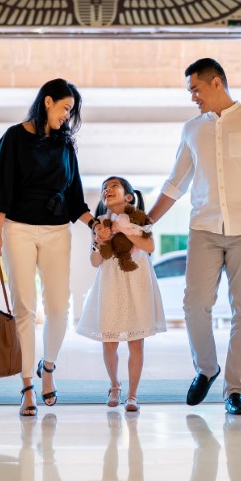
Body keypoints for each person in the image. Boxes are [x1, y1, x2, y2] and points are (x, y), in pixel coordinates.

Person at [148, 58, 241, 416]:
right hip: (204, 229)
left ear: (216, 84)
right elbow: (175, 183)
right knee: (195, 305)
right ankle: (207, 369)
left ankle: (235, 391)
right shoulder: (192, 130)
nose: (193, 96)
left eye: (195, 89)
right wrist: (146, 221)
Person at [0, 78, 97, 417]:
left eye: (71, 111)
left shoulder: (65, 147)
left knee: (59, 308)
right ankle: (27, 387)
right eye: (65, 108)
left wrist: (96, 226)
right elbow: (1, 191)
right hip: (18, 229)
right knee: (25, 308)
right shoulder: (13, 139)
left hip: (56, 231)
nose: (67, 116)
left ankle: (47, 368)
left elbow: (75, 198)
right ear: (47, 101)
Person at [76, 176, 167, 412]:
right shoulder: (99, 223)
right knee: (109, 342)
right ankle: (114, 385)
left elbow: (149, 247)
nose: (108, 190)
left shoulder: (140, 220)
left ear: (129, 196)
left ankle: (133, 394)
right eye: (105, 188)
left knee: (136, 342)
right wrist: (99, 240)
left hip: (137, 280)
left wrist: (123, 230)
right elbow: (95, 261)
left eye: (114, 186)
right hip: (110, 282)